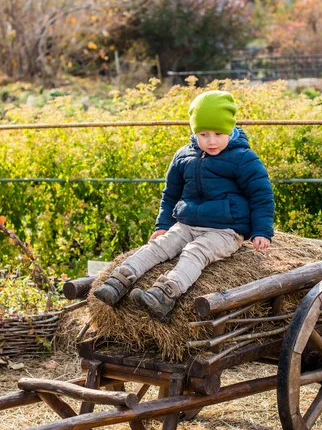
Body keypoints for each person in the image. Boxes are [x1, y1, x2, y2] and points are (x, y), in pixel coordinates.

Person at [94, 90, 275, 322]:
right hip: (187, 223)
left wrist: (261, 231)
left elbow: (261, 195)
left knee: (194, 252)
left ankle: (166, 292)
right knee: (159, 246)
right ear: (194, 131)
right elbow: (170, 194)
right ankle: (119, 280)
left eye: (218, 134)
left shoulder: (243, 158)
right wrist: (163, 224)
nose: (211, 141)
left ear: (230, 129)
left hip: (225, 230)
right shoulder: (183, 156)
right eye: (203, 133)